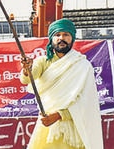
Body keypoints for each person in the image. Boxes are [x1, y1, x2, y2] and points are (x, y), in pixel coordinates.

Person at [20, 18, 104, 149]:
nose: (61, 38)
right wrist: (27, 70)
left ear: (72, 38)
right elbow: (27, 78)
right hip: (48, 128)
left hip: (75, 128)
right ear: (51, 38)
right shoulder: (43, 61)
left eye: (66, 35)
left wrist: (60, 115)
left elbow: (86, 102)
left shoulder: (82, 65)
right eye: (57, 35)